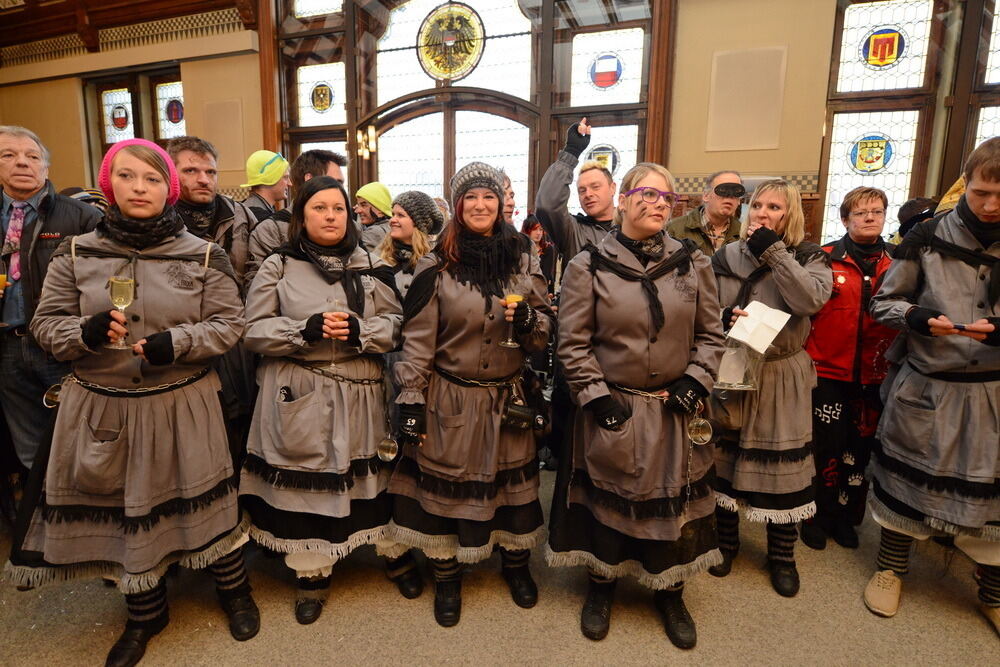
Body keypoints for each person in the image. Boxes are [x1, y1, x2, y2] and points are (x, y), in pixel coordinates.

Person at [7, 138, 257, 666]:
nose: (139, 188)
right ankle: (146, 613)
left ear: (168, 187)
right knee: (127, 512)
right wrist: (86, 332)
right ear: (109, 184)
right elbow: (45, 327)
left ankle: (234, 591)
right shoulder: (75, 253)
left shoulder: (203, 254)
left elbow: (230, 325)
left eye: (150, 178)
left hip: (182, 400)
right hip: (105, 405)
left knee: (208, 502)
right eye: (126, 177)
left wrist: (180, 343)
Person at [547, 163, 725, 648]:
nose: (657, 203)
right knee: (609, 498)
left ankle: (669, 590)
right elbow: (573, 342)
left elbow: (712, 335)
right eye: (645, 194)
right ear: (623, 200)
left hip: (674, 406)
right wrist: (595, 397)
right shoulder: (589, 265)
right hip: (615, 403)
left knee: (673, 501)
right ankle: (601, 585)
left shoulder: (694, 264)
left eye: (666, 198)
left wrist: (696, 379)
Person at [385, 162, 554, 628]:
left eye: (489, 197)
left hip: (507, 397)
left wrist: (528, 325)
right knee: (446, 492)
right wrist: (411, 401)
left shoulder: (523, 256)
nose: (481, 205)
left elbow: (542, 332)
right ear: (458, 206)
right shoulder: (435, 262)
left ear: (501, 203)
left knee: (512, 489)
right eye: (470, 198)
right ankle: (447, 575)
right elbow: (417, 340)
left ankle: (516, 567)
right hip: (451, 396)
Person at [239, 175, 404, 624]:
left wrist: (361, 331)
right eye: (319, 208)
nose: (330, 216)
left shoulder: (371, 261)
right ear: (301, 215)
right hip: (301, 388)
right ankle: (312, 572)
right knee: (308, 478)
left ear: (350, 214)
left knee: (368, 476)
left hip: (360, 391)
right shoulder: (278, 264)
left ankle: (390, 553)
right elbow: (251, 330)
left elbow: (394, 324)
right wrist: (301, 330)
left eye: (338, 208)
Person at [863, 138, 1000, 634]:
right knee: (904, 480)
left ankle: (994, 591)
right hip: (929, 382)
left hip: (992, 390)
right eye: (983, 192)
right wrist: (918, 317)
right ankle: (891, 568)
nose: (991, 205)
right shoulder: (926, 236)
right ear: (967, 182)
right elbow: (883, 303)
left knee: (992, 495)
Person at [709, 179, 832, 597]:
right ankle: (725, 543)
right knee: (725, 458)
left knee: (783, 468)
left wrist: (774, 252)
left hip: (781, 372)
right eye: (756, 205)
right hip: (734, 366)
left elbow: (810, 300)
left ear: (790, 214)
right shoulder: (725, 256)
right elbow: (701, 305)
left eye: (774, 207)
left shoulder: (809, 256)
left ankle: (782, 556)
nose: (761, 213)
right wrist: (722, 314)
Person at [802, 187, 898, 551]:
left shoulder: (899, 261)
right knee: (823, 448)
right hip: (828, 371)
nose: (870, 217)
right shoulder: (825, 258)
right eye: (861, 213)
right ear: (845, 219)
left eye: (877, 211)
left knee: (859, 451)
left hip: (875, 374)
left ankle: (845, 519)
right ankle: (815, 517)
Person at [0, 126, 100, 471]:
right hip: (8, 346)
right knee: (29, 448)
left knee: (82, 440)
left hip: (61, 344)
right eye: (8, 155)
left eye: (32, 156)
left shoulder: (82, 217)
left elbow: (105, 284)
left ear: (47, 168)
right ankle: (41, 513)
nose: (22, 163)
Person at [167, 136, 258, 466]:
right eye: (191, 170)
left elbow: (256, 272)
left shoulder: (241, 216)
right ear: (170, 173)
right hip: (182, 338)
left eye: (210, 171)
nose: (203, 179)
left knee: (241, 418)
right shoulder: (160, 220)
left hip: (236, 336)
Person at [247, 148, 348, 285]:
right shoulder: (271, 229)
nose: (340, 190)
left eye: (341, 184)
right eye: (334, 182)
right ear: (310, 180)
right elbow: (258, 288)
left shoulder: (345, 225)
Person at [535, 117, 617, 264]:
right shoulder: (572, 232)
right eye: (582, 190)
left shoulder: (631, 229)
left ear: (613, 188)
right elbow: (548, 205)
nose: (588, 194)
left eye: (595, 187)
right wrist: (571, 153)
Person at [378, 190, 444, 298]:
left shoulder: (436, 263)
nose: (392, 220)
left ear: (419, 224)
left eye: (400, 215)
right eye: (393, 214)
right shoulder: (379, 257)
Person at [666, 171, 744, 255]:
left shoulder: (743, 234)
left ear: (739, 200)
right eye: (723, 190)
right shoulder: (674, 229)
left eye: (736, 192)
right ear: (706, 196)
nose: (730, 196)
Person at [241, 149, 290, 223]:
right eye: (285, 177)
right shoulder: (257, 216)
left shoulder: (262, 208)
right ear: (269, 179)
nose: (290, 183)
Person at [521, 214, 556, 291]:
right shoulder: (521, 248)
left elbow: (546, 274)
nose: (538, 233)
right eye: (534, 229)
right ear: (527, 230)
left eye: (541, 229)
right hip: (525, 288)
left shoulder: (548, 248)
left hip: (543, 288)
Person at [355, 182, 392, 251]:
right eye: (358, 205)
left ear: (380, 209)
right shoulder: (390, 227)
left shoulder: (374, 232)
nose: (357, 211)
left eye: (363, 205)